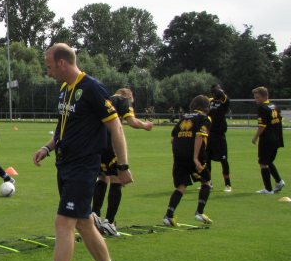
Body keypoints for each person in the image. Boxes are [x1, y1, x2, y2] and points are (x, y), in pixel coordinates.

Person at [26, 43, 132, 261]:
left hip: (83, 168)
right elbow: (65, 128)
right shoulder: (64, 90)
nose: (47, 71)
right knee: (84, 223)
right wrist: (47, 147)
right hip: (65, 165)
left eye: (49, 66)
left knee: (64, 223)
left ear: (62, 63)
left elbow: (116, 127)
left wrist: (123, 166)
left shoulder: (92, 89)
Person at [91, 88, 153, 236]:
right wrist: (146, 125)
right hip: (109, 141)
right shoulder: (122, 100)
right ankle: (110, 222)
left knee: (102, 177)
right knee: (117, 178)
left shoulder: (103, 98)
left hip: (94, 142)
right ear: (129, 96)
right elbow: (131, 121)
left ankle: (95, 217)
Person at [162, 95, 214, 226]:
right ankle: (199, 212)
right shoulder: (204, 118)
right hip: (194, 155)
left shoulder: (184, 117)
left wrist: (178, 154)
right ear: (206, 107)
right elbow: (199, 137)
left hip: (179, 156)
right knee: (206, 181)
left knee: (181, 186)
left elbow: (173, 138)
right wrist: (195, 158)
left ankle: (168, 216)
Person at [251, 86, 285, 194]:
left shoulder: (262, 108)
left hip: (267, 139)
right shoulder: (275, 106)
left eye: (257, 98)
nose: (255, 100)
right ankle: (279, 181)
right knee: (268, 161)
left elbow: (262, 126)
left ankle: (268, 189)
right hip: (277, 138)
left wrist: (255, 137)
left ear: (264, 96)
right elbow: (279, 121)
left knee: (262, 162)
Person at [205, 84, 232, 192]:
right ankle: (208, 182)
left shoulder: (224, 102)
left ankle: (228, 184)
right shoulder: (210, 101)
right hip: (209, 134)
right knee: (207, 159)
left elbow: (223, 97)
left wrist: (219, 91)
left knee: (223, 160)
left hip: (219, 135)